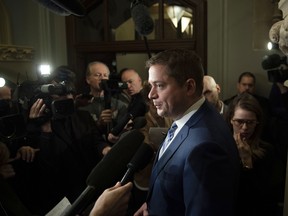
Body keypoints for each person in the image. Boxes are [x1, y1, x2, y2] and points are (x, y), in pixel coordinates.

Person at [134, 49, 240, 216]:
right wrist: (152, 206)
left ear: (189, 87)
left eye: (160, 85)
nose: (151, 94)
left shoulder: (204, 146)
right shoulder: (187, 118)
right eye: (150, 85)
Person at [12, 66, 112, 215]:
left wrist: (106, 149)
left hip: (90, 187)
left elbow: (96, 141)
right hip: (61, 197)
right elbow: (47, 166)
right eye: (58, 92)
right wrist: (45, 128)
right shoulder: (34, 127)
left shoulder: (82, 116)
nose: (66, 96)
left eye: (68, 92)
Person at [225, 92, 285, 216]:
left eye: (250, 122)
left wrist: (247, 160)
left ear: (257, 122)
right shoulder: (220, 146)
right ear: (231, 120)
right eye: (239, 122)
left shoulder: (267, 151)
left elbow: (264, 197)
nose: (245, 127)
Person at [77, 61, 127, 137]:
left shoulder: (120, 105)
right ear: (88, 79)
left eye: (105, 75)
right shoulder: (81, 105)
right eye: (98, 75)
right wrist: (99, 124)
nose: (102, 78)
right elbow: (80, 134)